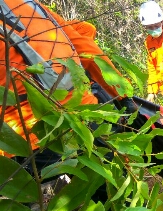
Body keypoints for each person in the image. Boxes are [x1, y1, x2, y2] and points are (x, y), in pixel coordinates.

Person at [0, 0, 134, 158]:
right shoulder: (30, 5)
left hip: (27, 141)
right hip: (87, 117)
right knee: (114, 172)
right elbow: (87, 49)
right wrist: (124, 95)